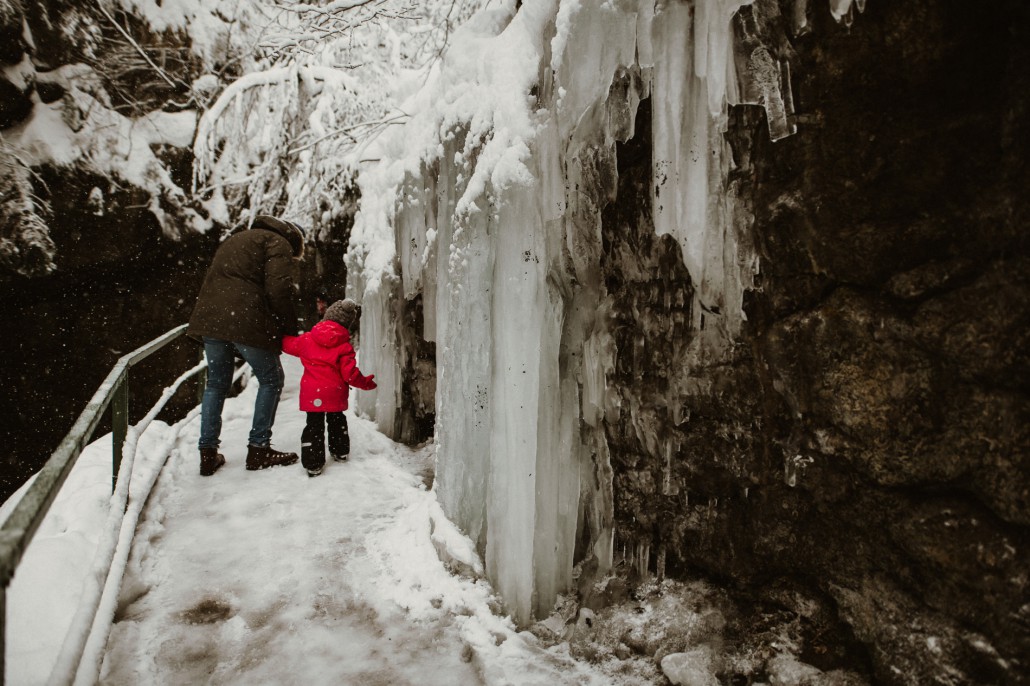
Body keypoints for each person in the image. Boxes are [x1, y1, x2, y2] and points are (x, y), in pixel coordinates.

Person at [187, 214, 305, 476]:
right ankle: (259, 449)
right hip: (245, 320)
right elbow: (278, 289)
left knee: (216, 383)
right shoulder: (278, 243)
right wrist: (288, 329)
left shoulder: (237, 239)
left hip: (211, 320)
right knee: (271, 379)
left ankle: (207, 454)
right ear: (294, 241)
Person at [281, 299, 377, 477]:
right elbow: (350, 374)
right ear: (346, 324)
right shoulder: (344, 346)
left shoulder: (307, 339)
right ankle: (340, 451)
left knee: (313, 426)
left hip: (312, 393)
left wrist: (276, 335)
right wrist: (366, 383)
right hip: (334, 392)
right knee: (337, 420)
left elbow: (287, 344)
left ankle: (313, 463)